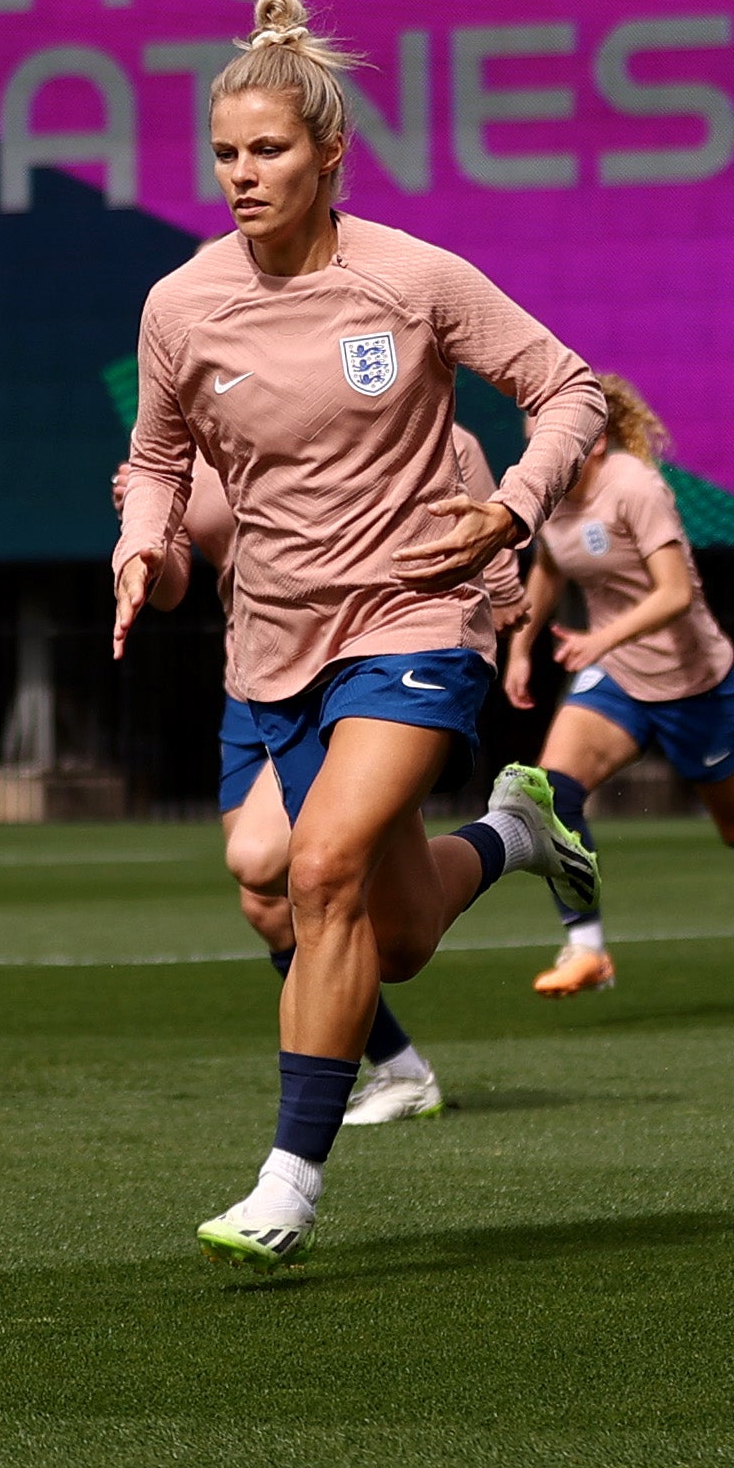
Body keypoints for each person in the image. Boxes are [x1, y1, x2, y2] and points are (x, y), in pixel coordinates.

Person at [113, 0, 610, 1267]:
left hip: (410, 618)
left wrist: (508, 509)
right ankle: (517, 831)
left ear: (331, 155)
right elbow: (156, 462)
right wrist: (141, 541)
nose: (241, 174)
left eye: (267, 150)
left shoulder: (413, 276)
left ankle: (289, 1181)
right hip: (270, 643)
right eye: (225, 153)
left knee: (321, 867)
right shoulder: (180, 303)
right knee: (364, 921)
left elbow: (568, 390)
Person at [505, 375, 734, 994]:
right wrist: (522, 646)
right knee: (547, 793)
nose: (540, 454)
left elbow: (677, 593)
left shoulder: (635, 487)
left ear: (596, 439)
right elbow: (552, 564)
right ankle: (586, 948)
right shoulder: (548, 493)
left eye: (552, 440)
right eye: (535, 441)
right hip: (617, 677)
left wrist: (598, 640)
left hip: (691, 680)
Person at [182, 438, 467, 1124]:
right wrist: (144, 534)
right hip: (250, 686)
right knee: (269, 907)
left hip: (353, 674)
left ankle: (293, 1172)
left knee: (268, 862)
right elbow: (179, 582)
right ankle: (399, 1069)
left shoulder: (402, 420)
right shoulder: (186, 434)